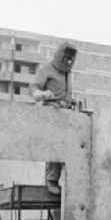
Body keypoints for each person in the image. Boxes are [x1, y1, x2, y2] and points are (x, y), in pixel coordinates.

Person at [29, 41, 77, 195]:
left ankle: (64, 179)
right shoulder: (47, 69)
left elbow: (66, 94)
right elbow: (33, 88)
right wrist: (41, 94)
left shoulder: (68, 74)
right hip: (50, 112)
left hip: (65, 114)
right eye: (65, 56)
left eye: (71, 57)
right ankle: (51, 180)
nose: (67, 60)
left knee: (67, 147)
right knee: (55, 146)